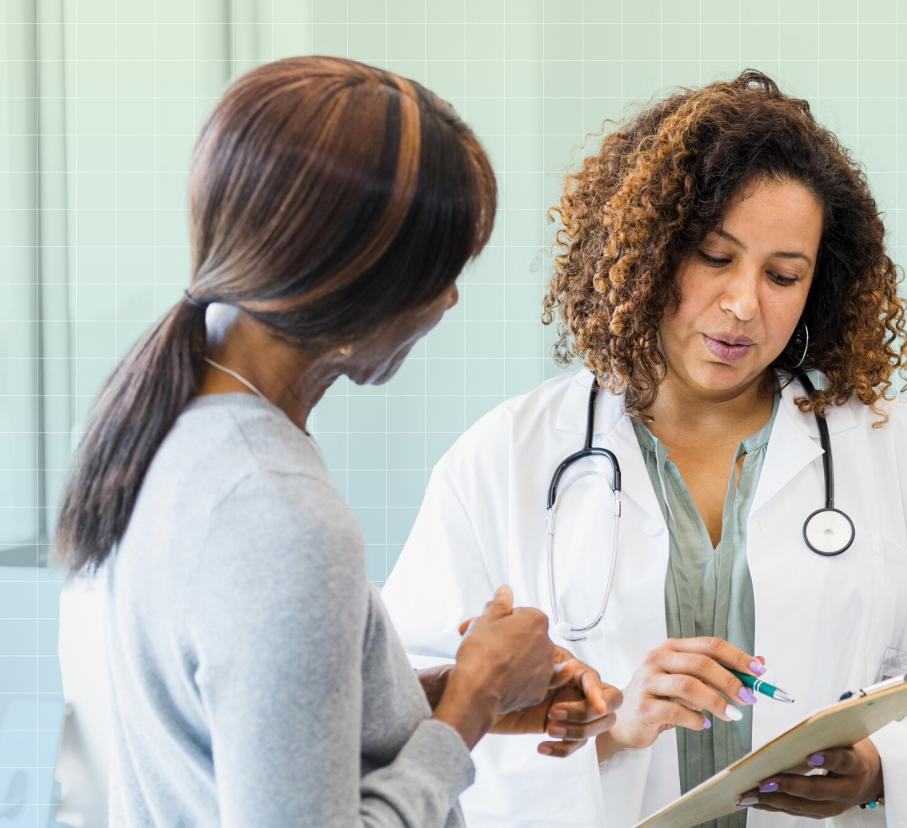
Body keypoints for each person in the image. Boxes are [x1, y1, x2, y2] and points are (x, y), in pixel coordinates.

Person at [383, 71, 907, 827]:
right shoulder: (506, 458)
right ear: (648, 252)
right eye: (714, 257)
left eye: (783, 275)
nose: (744, 305)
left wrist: (878, 770)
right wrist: (611, 734)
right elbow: (404, 724)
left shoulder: (895, 449)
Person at [54, 56, 620, 827]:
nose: (451, 300)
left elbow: (247, 724)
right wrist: (470, 708)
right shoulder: (280, 517)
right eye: (441, 272)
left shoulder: (162, 429)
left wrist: (458, 694)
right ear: (356, 282)